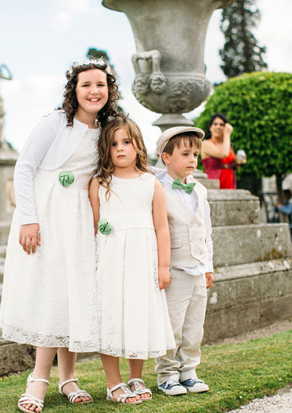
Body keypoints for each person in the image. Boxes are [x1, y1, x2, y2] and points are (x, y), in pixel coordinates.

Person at [0, 59, 121, 413]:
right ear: (74, 90)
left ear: (109, 90)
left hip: (81, 219)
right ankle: (38, 378)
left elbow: (128, 162)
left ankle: (68, 378)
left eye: (101, 84)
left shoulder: (107, 129)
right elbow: (25, 167)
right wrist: (28, 219)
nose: (94, 91)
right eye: (86, 85)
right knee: (52, 292)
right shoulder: (55, 122)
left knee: (75, 293)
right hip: (47, 216)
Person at [88, 117, 175, 405]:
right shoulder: (100, 183)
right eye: (113, 144)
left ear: (138, 145)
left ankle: (136, 376)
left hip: (142, 260)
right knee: (111, 316)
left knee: (138, 314)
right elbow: (96, 226)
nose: (120, 149)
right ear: (105, 149)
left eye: (126, 142)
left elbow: (162, 226)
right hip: (112, 260)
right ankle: (114, 383)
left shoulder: (151, 182)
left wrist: (163, 266)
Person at [153, 126, 214, 396]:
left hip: (198, 268)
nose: (192, 159)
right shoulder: (157, 189)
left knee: (194, 326)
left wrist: (208, 266)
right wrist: (161, 267)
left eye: (196, 154)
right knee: (172, 325)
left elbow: (206, 231)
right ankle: (167, 374)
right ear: (166, 157)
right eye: (185, 153)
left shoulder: (200, 189)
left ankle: (189, 370)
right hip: (174, 267)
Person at [201, 113, 239, 189]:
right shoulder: (206, 144)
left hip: (230, 181)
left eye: (221, 125)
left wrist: (238, 161)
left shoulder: (227, 145)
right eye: (215, 124)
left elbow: (231, 165)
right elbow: (223, 154)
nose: (218, 127)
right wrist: (227, 135)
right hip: (214, 181)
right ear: (210, 127)